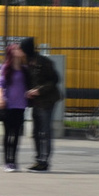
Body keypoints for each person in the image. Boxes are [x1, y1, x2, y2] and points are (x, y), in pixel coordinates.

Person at [20, 36, 60, 171]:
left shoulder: (43, 62)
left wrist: (39, 90)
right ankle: (38, 159)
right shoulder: (26, 63)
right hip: (35, 102)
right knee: (36, 131)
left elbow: (54, 80)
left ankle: (44, 160)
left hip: (46, 100)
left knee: (44, 131)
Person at [0, 43, 29, 172]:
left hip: (20, 106)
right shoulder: (6, 68)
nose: (18, 50)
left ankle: (13, 161)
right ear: (11, 52)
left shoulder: (24, 69)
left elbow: (27, 85)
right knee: (7, 134)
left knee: (16, 135)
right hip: (8, 105)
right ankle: (6, 162)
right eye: (16, 49)